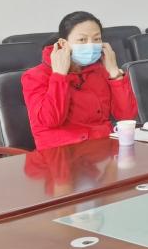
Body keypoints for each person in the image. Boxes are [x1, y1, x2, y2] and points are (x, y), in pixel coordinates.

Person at [22, 11, 138, 150]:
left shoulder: (100, 70)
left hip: (102, 149)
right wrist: (59, 76)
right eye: (82, 40)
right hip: (62, 153)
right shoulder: (35, 76)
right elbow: (50, 120)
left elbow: (127, 117)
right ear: (63, 43)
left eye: (96, 39)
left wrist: (115, 73)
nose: (91, 45)